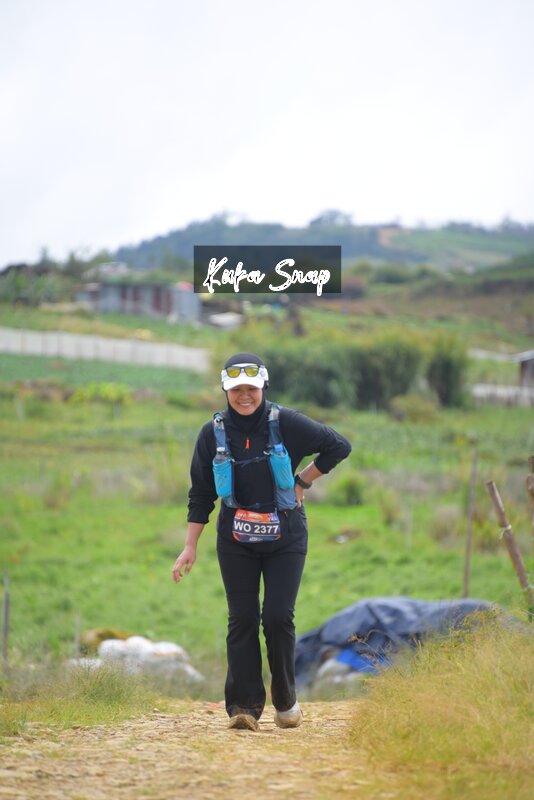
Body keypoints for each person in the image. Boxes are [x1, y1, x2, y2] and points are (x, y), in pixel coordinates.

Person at [172, 353, 351, 731]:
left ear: (263, 387)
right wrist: (190, 546)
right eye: (236, 389)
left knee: (277, 617)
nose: (244, 396)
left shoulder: (287, 422)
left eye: (251, 388)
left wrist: (303, 481)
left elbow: (339, 445)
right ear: (225, 390)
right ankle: (244, 707)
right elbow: (201, 493)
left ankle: (286, 700)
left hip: (286, 536)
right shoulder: (212, 434)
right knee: (242, 618)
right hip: (235, 538)